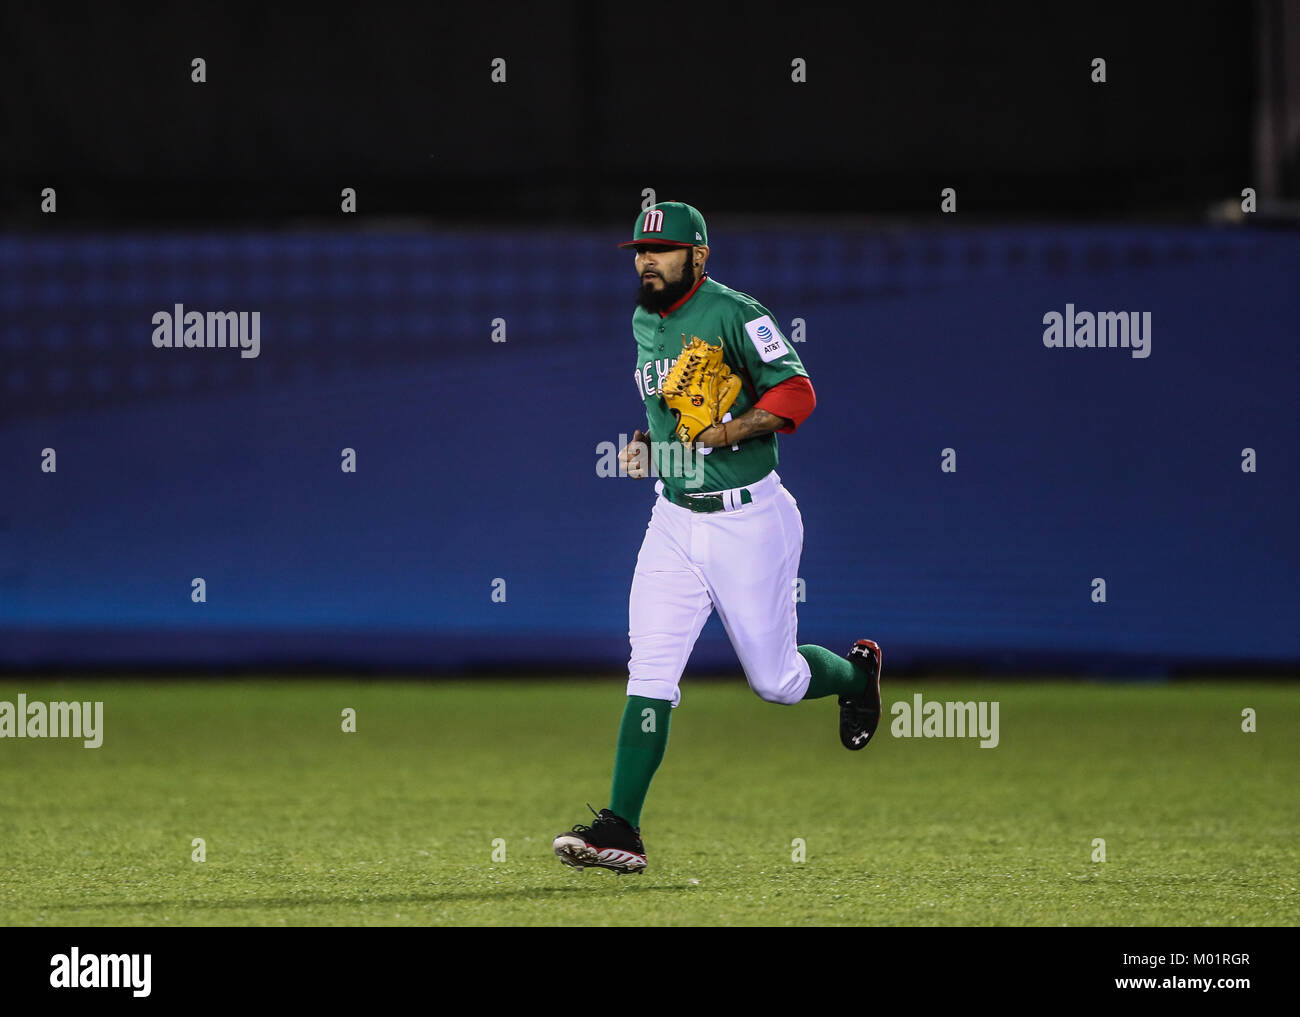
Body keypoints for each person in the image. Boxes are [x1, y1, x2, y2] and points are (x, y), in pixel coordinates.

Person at [553, 201, 882, 874]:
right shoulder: (645, 319)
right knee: (649, 672)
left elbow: (798, 392)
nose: (647, 260)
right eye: (641, 251)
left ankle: (858, 672)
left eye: (663, 250)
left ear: (698, 256)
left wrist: (731, 430)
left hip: (748, 520)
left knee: (779, 680)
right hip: (673, 518)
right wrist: (652, 441)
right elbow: (667, 409)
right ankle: (622, 827)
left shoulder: (737, 313)